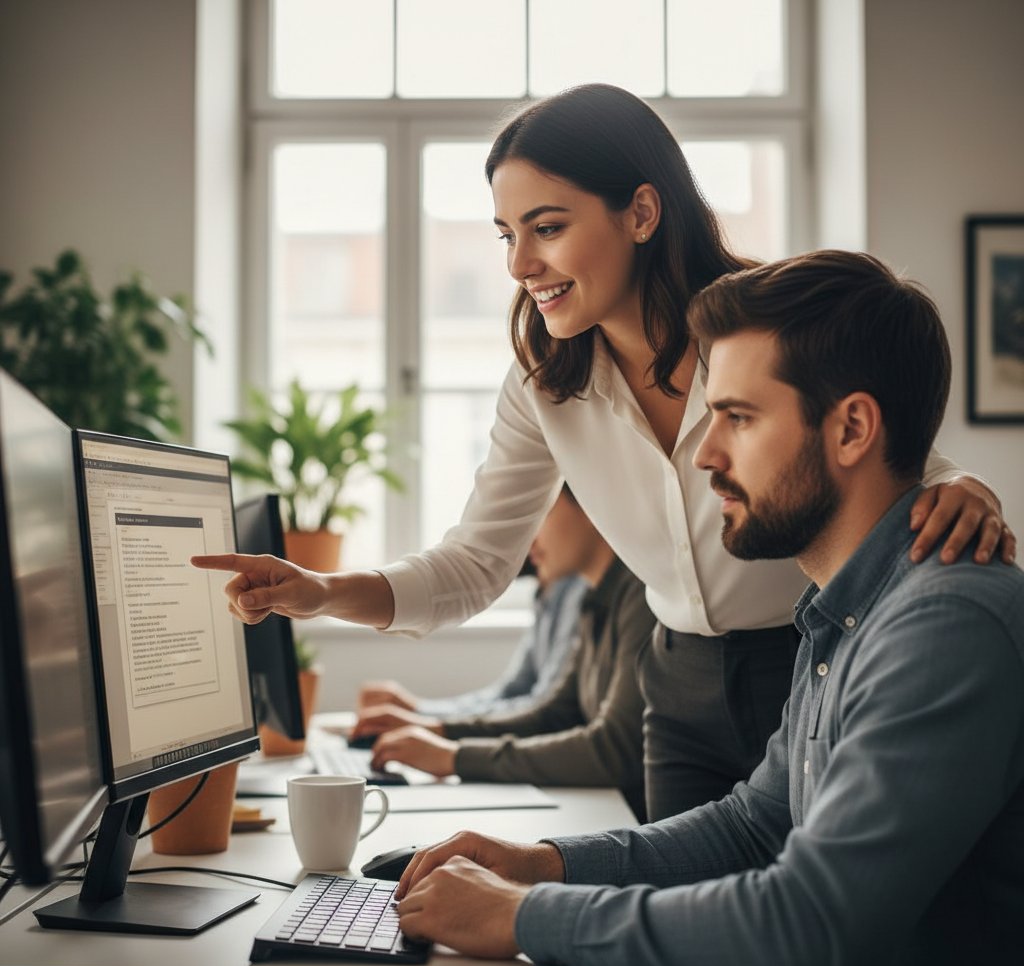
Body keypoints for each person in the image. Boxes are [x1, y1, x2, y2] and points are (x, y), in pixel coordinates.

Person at [193, 85, 1015, 821]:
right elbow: (476, 563)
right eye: (507, 235)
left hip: (808, 664)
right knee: (686, 918)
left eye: (547, 228)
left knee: (807, 918)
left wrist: (967, 485)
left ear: (642, 213)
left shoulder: (761, 327)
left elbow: (879, 448)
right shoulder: (544, 384)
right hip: (676, 689)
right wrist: (321, 591)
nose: (521, 265)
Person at [385, 251, 1024, 966]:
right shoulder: (842, 612)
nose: (703, 454)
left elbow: (811, 926)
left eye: (739, 418)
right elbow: (752, 826)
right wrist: (537, 864)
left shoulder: (943, 624)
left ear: (852, 428)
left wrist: (519, 917)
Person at [354, 486, 654, 821]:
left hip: (632, 823)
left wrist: (454, 757)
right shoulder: (596, 596)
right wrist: (442, 735)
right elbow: (554, 715)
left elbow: (614, 751)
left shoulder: (643, 593)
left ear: (589, 500)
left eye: (542, 512)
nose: (527, 537)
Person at [355, 572, 588, 720]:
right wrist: (418, 709)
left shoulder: (579, 590)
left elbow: (543, 710)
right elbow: (511, 692)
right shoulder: (552, 589)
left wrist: (429, 723)